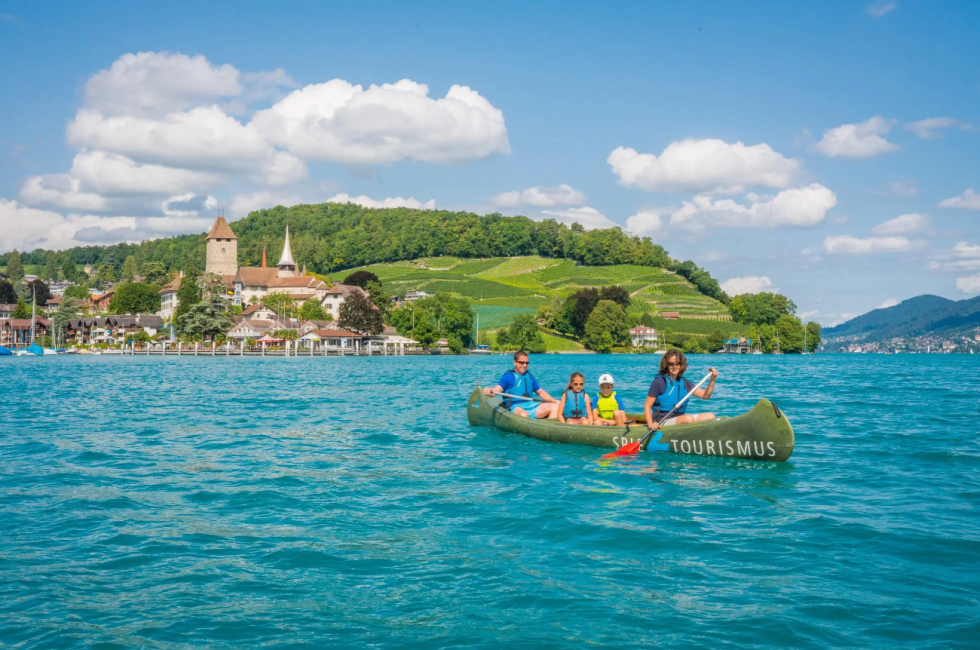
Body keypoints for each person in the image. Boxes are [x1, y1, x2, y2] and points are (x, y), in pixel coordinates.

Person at [645, 349, 719, 431]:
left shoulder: (684, 382)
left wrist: (712, 380)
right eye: (671, 364)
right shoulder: (659, 382)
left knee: (710, 416)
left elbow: (705, 395)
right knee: (688, 419)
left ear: (681, 365)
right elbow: (647, 406)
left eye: (678, 363)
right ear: (666, 365)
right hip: (661, 421)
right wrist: (651, 424)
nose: (674, 367)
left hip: (680, 418)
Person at [483, 350, 559, 419]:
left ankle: (548, 428)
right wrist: (490, 392)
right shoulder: (508, 376)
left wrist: (554, 401)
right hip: (514, 407)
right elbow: (497, 390)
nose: (525, 365)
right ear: (515, 362)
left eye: (527, 363)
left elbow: (541, 392)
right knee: (524, 415)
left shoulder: (530, 376)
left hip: (530, 405)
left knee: (554, 406)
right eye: (521, 362)